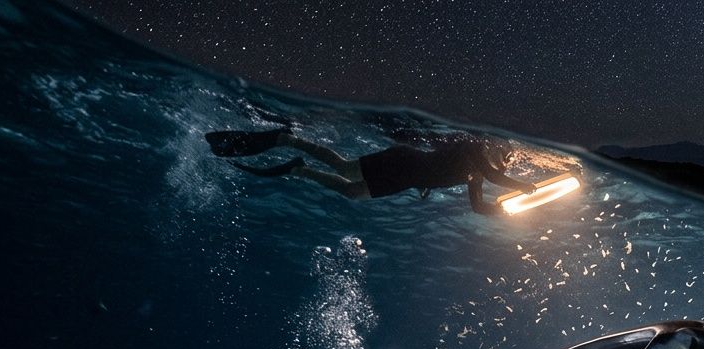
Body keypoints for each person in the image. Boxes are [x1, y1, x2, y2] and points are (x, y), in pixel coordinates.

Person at [204, 127, 537, 215]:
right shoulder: (474, 149)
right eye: (502, 149)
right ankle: (289, 140)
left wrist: (504, 210)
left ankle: (299, 170)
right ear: (492, 144)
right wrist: (524, 188)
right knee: (345, 168)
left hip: (408, 179)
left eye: (507, 156)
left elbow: (478, 207)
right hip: (403, 162)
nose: (503, 156)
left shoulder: (480, 173)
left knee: (353, 192)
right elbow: (493, 177)